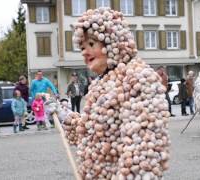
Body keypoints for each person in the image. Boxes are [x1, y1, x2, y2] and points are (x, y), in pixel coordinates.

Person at [63, 8, 170, 179]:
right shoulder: (101, 82)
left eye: (91, 44)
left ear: (113, 42)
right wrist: (64, 117)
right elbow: (96, 134)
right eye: (82, 47)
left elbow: (143, 151)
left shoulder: (137, 77)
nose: (84, 51)